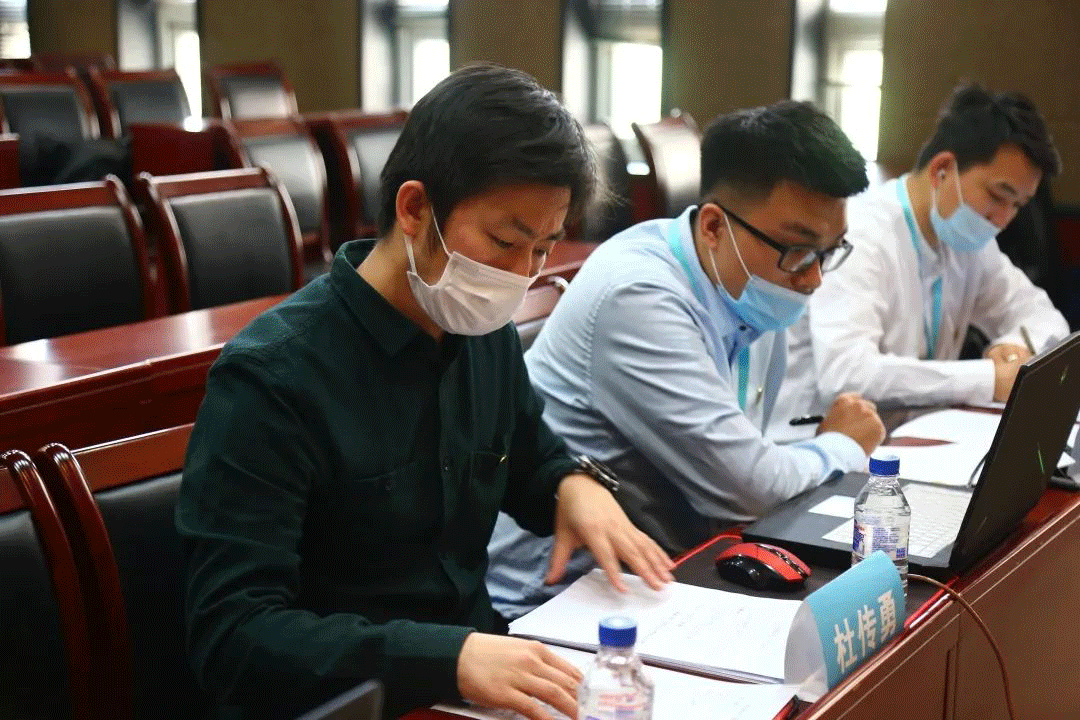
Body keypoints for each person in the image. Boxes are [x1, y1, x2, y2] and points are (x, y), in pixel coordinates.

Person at [176, 64, 673, 720]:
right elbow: (233, 636)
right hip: (357, 701)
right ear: (414, 209)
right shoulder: (273, 379)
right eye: (504, 242)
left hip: (478, 683)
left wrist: (571, 484)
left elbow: (528, 456)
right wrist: (447, 658)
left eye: (542, 250)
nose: (520, 276)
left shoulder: (481, 332)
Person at [486, 101, 886, 619]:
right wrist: (844, 444)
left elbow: (753, 463)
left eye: (829, 253)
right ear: (715, 226)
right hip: (554, 602)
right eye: (799, 251)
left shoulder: (754, 283)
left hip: (663, 573)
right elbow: (751, 489)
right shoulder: (639, 296)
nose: (814, 278)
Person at [771, 84, 1068, 441]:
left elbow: (1043, 316)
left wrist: (1014, 348)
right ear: (942, 169)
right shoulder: (861, 233)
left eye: (1018, 205)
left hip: (911, 440)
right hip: (818, 444)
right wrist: (988, 378)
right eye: (998, 195)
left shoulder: (971, 242)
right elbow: (846, 373)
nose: (1003, 219)